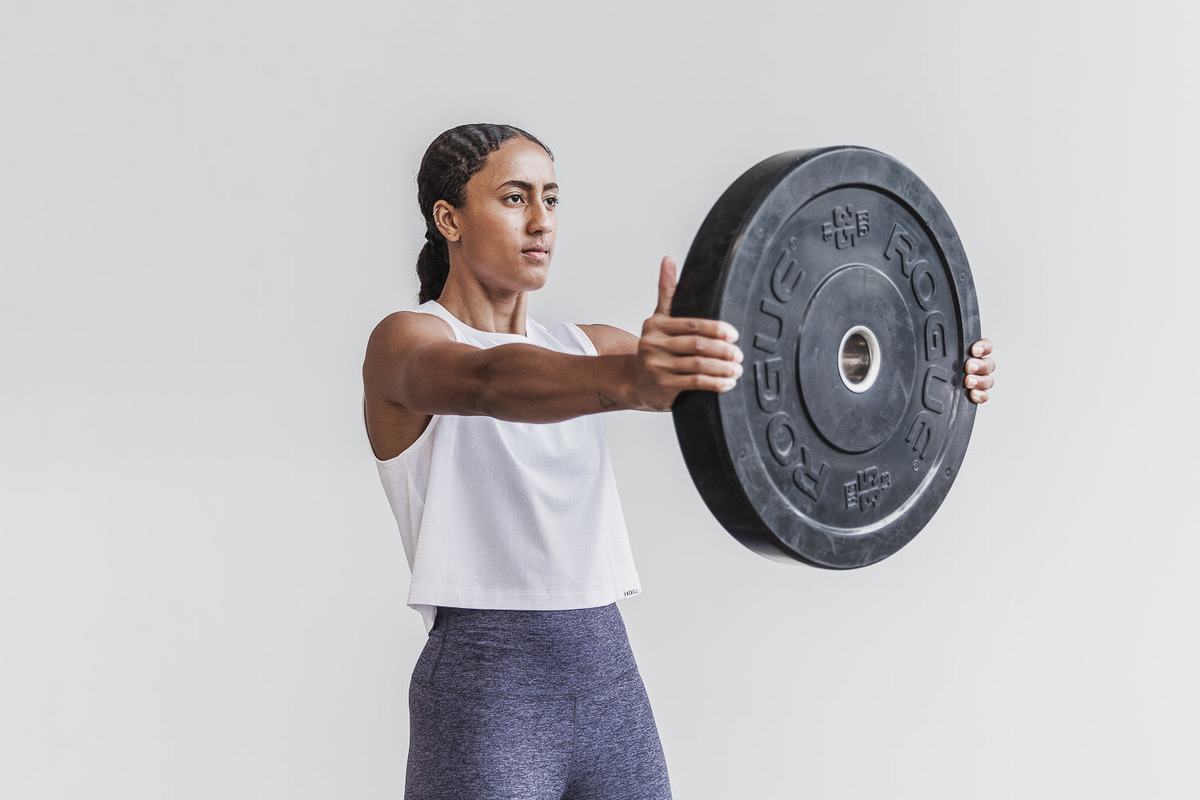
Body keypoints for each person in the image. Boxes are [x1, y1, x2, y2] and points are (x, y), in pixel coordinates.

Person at [361, 123, 996, 799]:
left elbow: (770, 380)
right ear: (448, 218)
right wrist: (634, 377)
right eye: (515, 199)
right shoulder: (406, 340)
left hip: (607, 669)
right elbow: (487, 383)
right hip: (488, 681)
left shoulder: (589, 346)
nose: (541, 221)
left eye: (551, 198)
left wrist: (935, 367)